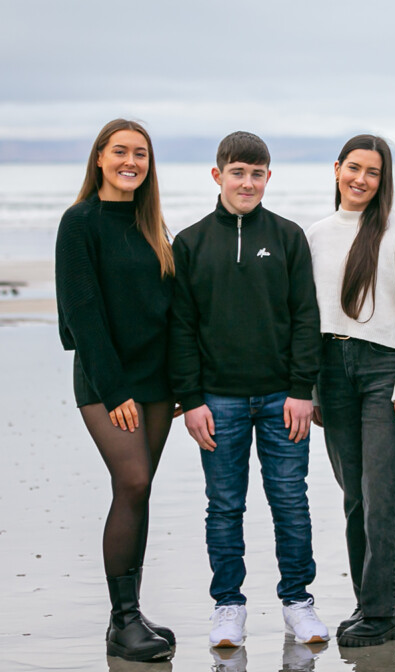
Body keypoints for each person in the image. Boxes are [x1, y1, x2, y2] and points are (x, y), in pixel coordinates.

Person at [170, 131, 328, 648]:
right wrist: (191, 399)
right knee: (224, 505)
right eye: (238, 172)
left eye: (257, 173)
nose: (247, 182)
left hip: (283, 398)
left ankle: (298, 602)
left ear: (268, 178)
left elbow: (306, 317)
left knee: (290, 500)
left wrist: (302, 389)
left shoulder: (286, 237)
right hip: (217, 400)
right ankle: (228, 607)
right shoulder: (190, 243)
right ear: (217, 176)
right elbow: (182, 327)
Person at [55, 119, 176, 662]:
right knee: (132, 480)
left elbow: (166, 309)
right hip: (110, 383)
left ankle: (127, 616)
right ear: (100, 158)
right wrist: (115, 389)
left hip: (156, 381)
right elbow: (82, 313)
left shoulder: (152, 224)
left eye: (141, 154)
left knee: (140, 490)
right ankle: (124, 620)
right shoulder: (79, 222)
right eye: (121, 152)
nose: (131, 162)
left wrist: (178, 382)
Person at [307, 135, 395, 647]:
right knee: (354, 497)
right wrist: (311, 387)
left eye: (373, 172)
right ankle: (367, 604)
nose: (361, 179)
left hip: (386, 370)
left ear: (384, 180)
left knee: (383, 496)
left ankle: (383, 615)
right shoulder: (315, 234)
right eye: (353, 168)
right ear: (337, 169)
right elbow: (308, 317)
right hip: (331, 371)